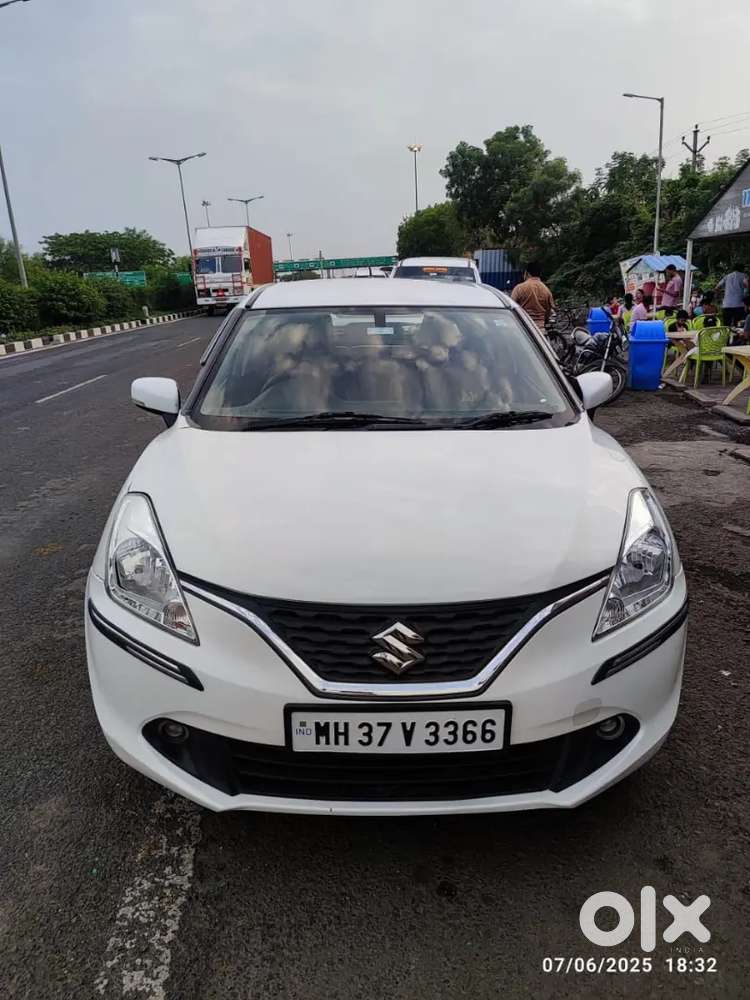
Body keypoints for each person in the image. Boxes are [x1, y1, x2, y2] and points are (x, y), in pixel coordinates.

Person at [511, 261, 555, 333]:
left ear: (527, 273)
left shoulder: (519, 288)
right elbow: (548, 311)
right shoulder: (546, 290)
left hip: (523, 329)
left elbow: (511, 307)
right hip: (540, 331)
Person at [717, 263, 748, 327]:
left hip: (727, 304)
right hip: (739, 304)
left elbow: (717, 287)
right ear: (742, 269)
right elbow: (747, 285)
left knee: (726, 326)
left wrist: (721, 296)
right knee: (738, 325)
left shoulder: (727, 276)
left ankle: (727, 336)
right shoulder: (744, 276)